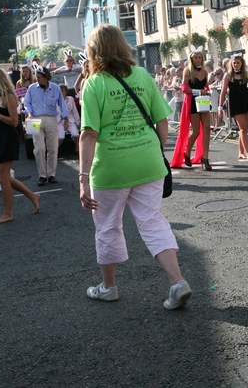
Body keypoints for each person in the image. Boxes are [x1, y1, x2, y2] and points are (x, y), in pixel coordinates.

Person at [79, 24, 192, 310]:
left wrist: (83, 178)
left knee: (108, 226)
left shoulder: (94, 83)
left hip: (111, 167)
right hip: (148, 161)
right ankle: (177, 282)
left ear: (94, 50)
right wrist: (157, 151)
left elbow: (89, 134)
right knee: (152, 221)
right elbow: (162, 120)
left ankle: (109, 288)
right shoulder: (142, 75)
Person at [0, 67, 42, 224]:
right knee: (3, 176)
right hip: (0, 137)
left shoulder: (9, 95)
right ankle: (33, 196)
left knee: (3, 176)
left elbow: (14, 121)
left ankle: (8, 212)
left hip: (8, 138)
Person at [23, 63, 68, 186]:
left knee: (52, 147)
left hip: (51, 119)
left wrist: (66, 118)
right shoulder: (32, 88)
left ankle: (51, 174)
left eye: (39, 77)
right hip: (36, 119)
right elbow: (26, 103)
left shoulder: (55, 88)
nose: (37, 79)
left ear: (46, 77)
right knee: (39, 148)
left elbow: (62, 104)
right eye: (36, 77)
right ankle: (42, 175)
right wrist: (29, 113)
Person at [171, 49, 215, 170]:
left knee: (207, 129)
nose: (197, 59)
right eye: (195, 57)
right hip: (192, 103)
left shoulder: (205, 71)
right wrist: (200, 91)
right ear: (191, 59)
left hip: (203, 102)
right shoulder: (187, 71)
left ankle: (205, 158)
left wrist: (207, 91)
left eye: (199, 57)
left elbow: (206, 86)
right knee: (196, 131)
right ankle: (187, 153)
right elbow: (184, 88)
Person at [218, 54, 248, 161]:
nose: (236, 65)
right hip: (236, 103)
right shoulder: (228, 75)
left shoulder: (246, 74)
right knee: (243, 128)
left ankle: (240, 152)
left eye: (238, 63)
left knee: (244, 129)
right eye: (234, 63)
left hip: (246, 101)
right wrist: (220, 107)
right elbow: (222, 92)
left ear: (242, 63)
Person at [57, 84, 80, 149]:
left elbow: (74, 111)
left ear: (65, 91)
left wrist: (78, 122)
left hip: (70, 121)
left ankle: (78, 147)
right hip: (60, 122)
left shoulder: (70, 99)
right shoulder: (55, 101)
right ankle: (55, 149)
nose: (61, 92)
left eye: (62, 91)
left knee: (76, 135)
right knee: (60, 137)